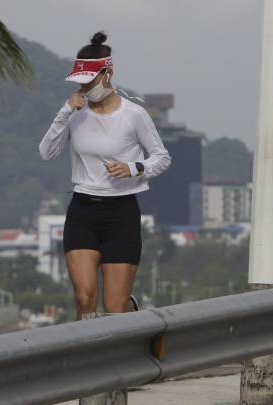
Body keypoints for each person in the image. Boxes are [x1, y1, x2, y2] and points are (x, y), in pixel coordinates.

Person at [39, 32, 171, 319]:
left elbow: (162, 158)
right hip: (82, 212)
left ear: (107, 74)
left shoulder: (134, 114)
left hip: (120, 214)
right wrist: (64, 112)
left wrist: (134, 168)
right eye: (81, 81)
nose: (85, 87)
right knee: (84, 299)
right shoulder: (75, 115)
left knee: (115, 308)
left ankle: (131, 311)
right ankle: (84, 362)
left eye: (91, 80)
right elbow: (46, 152)